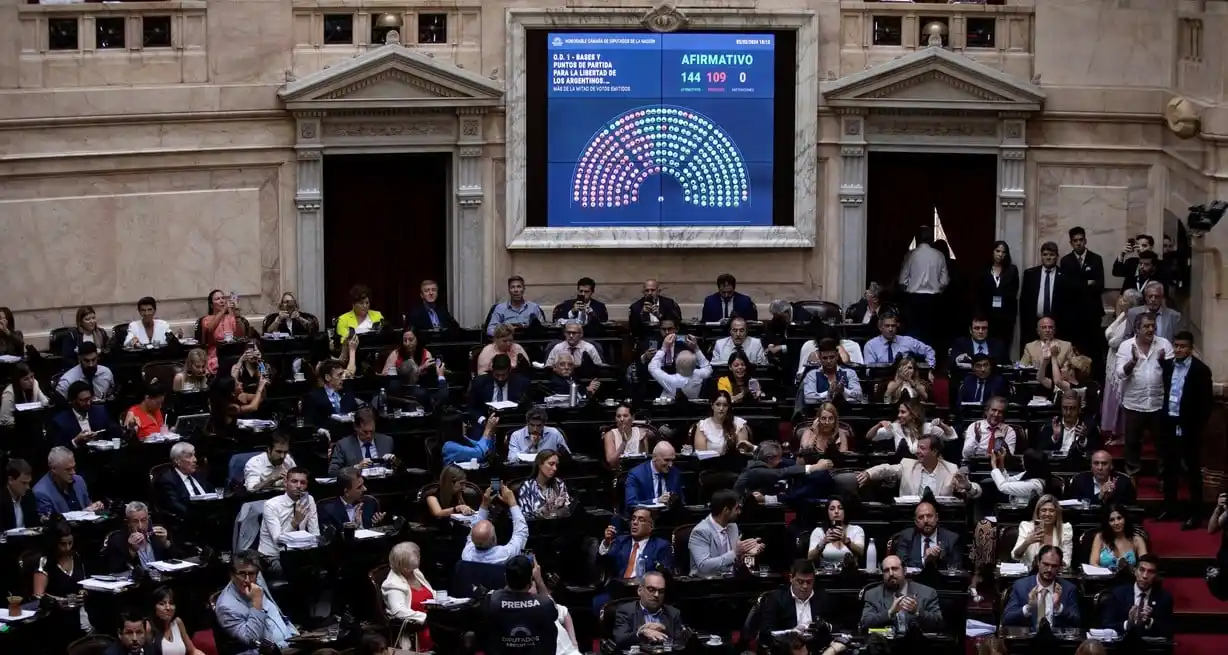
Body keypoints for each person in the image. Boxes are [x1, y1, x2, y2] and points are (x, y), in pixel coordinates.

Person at [1160, 330, 1213, 529]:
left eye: (1183, 347)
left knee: (1191, 471)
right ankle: (1170, 508)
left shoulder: (1201, 370)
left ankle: (1195, 514)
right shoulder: (1167, 365)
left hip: (1189, 426)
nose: (1178, 350)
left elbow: (1205, 404)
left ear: (1191, 349)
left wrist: (1196, 427)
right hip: (1168, 422)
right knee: (1168, 468)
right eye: (1176, 346)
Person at [214, 550, 298, 654]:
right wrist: (257, 602)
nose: (247, 580)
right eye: (242, 574)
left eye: (251, 574)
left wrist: (296, 636)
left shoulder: (257, 584)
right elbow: (252, 639)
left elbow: (278, 617)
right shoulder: (226, 606)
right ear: (232, 574)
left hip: (290, 644)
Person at [482, 554, 558, 654]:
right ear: (531, 580)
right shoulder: (545, 604)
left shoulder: (491, 600)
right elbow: (555, 611)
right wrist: (539, 581)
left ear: (505, 578)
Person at [758, 560, 839, 652]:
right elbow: (766, 633)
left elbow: (837, 627)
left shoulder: (823, 598)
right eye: (800, 582)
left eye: (809, 582)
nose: (805, 586)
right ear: (791, 578)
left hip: (817, 650)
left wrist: (826, 626)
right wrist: (791, 635)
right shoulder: (776, 599)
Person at [596, 508, 673, 603]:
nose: (635, 523)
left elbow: (664, 574)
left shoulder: (661, 546)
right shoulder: (621, 541)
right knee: (598, 601)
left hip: (645, 592)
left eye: (641, 520)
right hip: (619, 591)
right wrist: (607, 543)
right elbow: (605, 562)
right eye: (633, 519)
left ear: (651, 526)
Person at [257, 467, 319, 574]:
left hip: (299, 553)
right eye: (294, 481)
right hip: (274, 556)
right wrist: (295, 522)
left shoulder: (309, 500)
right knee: (299, 572)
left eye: (303, 482)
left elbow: (315, 532)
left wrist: (314, 552)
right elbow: (278, 541)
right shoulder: (271, 505)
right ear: (285, 483)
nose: (299, 486)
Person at [1002, 545, 1080, 629]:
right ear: (1038, 562)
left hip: (1057, 640)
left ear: (1060, 567)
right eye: (1046, 564)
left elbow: (1077, 622)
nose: (1049, 569)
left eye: (1054, 566)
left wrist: (1058, 607)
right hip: (1027, 640)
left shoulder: (1068, 589)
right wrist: (1028, 608)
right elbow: (1006, 619)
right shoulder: (1021, 586)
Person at [859, 555, 943, 631]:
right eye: (886, 570)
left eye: (895, 569)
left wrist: (917, 612)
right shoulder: (873, 594)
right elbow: (865, 623)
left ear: (905, 571)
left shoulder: (927, 592)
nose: (891, 573)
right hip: (886, 644)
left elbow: (939, 623)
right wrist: (890, 612)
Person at [689, 489, 763, 575]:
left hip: (731, 582)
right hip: (706, 583)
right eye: (737, 508)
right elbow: (704, 566)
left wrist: (746, 554)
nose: (739, 512)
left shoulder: (733, 527)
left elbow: (735, 564)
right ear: (726, 510)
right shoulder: (700, 531)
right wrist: (735, 553)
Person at [1098, 553, 1173, 638]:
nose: (1145, 576)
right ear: (1135, 571)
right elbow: (1106, 625)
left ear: (1156, 575)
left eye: (1150, 572)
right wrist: (1128, 624)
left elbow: (1168, 631)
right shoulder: (1118, 594)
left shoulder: (1164, 598)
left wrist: (1149, 621)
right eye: (1142, 570)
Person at [612, 570, 686, 650]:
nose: (656, 595)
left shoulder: (673, 613)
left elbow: (681, 643)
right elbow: (620, 639)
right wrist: (640, 634)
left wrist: (666, 631)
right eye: (651, 589)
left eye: (661, 591)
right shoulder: (626, 611)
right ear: (640, 590)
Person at [381, 542, 435, 651]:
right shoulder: (392, 585)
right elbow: (399, 611)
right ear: (405, 568)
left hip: (434, 618)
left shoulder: (415, 572)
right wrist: (426, 618)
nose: (415, 568)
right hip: (417, 628)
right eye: (411, 567)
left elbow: (430, 593)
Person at [462, 484, 528, 564]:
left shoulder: (467, 555)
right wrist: (512, 501)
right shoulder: (503, 556)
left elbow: (473, 530)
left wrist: (484, 504)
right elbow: (521, 533)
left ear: (472, 539)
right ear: (494, 539)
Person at [103, 501, 173, 573]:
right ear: (127, 522)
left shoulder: (158, 534)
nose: (140, 526)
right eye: (135, 521)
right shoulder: (117, 540)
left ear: (148, 519)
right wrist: (132, 551)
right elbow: (114, 571)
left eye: (144, 520)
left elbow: (180, 559)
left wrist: (166, 543)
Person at [33, 446, 102, 517]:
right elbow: (51, 523)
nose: (73, 472)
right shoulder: (41, 492)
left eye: (74, 467)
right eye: (68, 469)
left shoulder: (79, 480)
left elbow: (87, 505)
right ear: (54, 470)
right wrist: (83, 513)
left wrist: (94, 507)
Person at [153, 442, 211, 524]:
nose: (195, 460)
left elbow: (211, 492)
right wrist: (200, 516)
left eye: (194, 455)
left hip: (211, 516)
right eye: (190, 456)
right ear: (178, 461)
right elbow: (174, 505)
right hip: (189, 522)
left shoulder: (198, 474)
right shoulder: (167, 480)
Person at [894, 501, 963, 570]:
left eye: (929, 516)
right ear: (916, 522)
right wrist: (925, 560)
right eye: (921, 517)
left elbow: (955, 568)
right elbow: (901, 567)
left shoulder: (951, 539)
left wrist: (935, 560)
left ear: (936, 517)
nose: (926, 520)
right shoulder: (906, 537)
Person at [328, 407, 395, 475]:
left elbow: (401, 468)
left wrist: (394, 462)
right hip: (358, 484)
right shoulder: (343, 445)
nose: (369, 436)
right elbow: (333, 472)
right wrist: (356, 468)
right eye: (365, 432)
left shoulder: (387, 441)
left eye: (371, 431)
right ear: (355, 427)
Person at [1011, 494, 1074, 567]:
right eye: (1043, 510)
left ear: (1057, 514)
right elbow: (1015, 556)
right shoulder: (1027, 527)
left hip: (1053, 574)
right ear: (1038, 513)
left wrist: (1052, 560)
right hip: (1030, 573)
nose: (1047, 514)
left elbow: (1067, 563)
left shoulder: (1065, 530)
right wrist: (1027, 542)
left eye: (1051, 510)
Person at [319, 467, 384, 531]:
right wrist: (354, 529)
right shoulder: (328, 511)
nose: (365, 489)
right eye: (359, 487)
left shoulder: (370, 502)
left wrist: (376, 525)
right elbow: (333, 539)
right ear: (346, 492)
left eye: (363, 484)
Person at [624, 441, 684, 510]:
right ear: (654, 457)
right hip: (646, 517)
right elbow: (631, 504)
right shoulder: (636, 474)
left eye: (672, 460)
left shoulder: (675, 473)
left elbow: (681, 501)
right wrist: (656, 501)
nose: (670, 465)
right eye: (666, 460)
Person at [807, 497, 865, 566]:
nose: (836, 511)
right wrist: (824, 542)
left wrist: (846, 541)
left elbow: (860, 552)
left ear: (845, 511)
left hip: (850, 572)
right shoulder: (818, 531)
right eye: (832, 509)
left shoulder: (856, 529)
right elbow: (810, 557)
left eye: (840, 508)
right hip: (826, 573)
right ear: (827, 512)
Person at [1066, 450, 1136, 505]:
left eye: (1104, 463)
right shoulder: (1079, 481)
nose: (1100, 468)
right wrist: (1099, 496)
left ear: (1111, 466)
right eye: (1096, 463)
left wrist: (1111, 496)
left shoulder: (1124, 482)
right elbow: (1074, 507)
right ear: (1091, 466)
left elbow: (1130, 509)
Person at [1088, 504, 1147, 570]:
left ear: (1125, 518)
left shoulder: (1137, 540)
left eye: (1119, 518)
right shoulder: (1100, 537)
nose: (1116, 523)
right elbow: (1093, 563)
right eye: (1112, 520)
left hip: (1130, 578)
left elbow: (1145, 566)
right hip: (1105, 578)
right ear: (1107, 523)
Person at [518, 450, 572, 519]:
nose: (555, 468)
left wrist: (556, 510)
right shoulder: (527, 486)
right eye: (551, 464)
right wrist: (545, 510)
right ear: (540, 464)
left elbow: (567, 510)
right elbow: (525, 516)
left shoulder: (559, 483)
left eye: (557, 465)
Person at [150, 586, 202, 655]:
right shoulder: (149, 627)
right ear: (154, 607)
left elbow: (192, 650)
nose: (168, 608)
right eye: (162, 604)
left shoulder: (177, 622)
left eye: (171, 603)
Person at [603, 402, 648, 467]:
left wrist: (641, 442)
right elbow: (611, 462)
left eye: (625, 416)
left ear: (632, 418)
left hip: (638, 472)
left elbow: (645, 461)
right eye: (618, 416)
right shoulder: (610, 435)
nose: (621, 419)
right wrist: (623, 444)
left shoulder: (641, 432)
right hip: (620, 473)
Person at [0, 458, 36, 531]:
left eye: (29, 483)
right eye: (24, 483)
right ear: (10, 480)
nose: (27, 487)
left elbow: (34, 526)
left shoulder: (29, 496)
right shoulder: (1, 500)